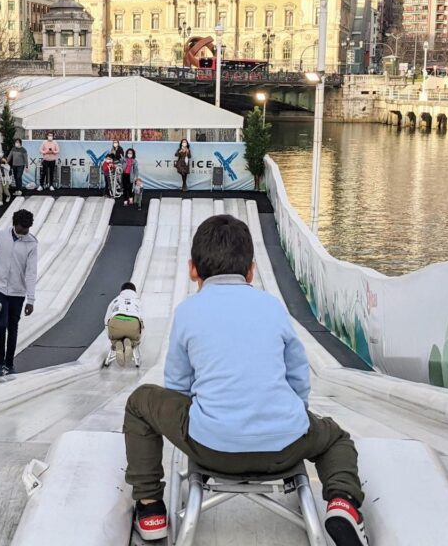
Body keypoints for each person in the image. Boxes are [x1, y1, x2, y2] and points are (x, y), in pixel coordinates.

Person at [123, 215, 367, 544]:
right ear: (251, 270)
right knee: (335, 438)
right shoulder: (273, 307)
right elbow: (298, 377)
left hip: (212, 448)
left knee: (140, 402)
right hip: (286, 445)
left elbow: (177, 388)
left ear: (192, 268)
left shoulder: (187, 312)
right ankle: (343, 503)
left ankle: (150, 507)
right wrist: (290, 417)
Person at [0, 209, 37, 377]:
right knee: (1, 325)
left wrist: (31, 299)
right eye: (21, 228)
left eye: (27, 229)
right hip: (0, 287)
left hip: (18, 291)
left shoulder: (31, 243)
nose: (24, 232)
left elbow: (31, 272)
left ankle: (9, 363)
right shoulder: (0, 236)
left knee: (13, 326)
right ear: (15, 224)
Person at [105, 281, 143, 367]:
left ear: (121, 291)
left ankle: (117, 344)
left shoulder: (116, 300)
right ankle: (130, 343)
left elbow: (106, 319)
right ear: (134, 291)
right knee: (134, 339)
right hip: (133, 324)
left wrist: (110, 335)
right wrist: (139, 338)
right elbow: (142, 320)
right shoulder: (138, 301)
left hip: (116, 323)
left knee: (115, 338)